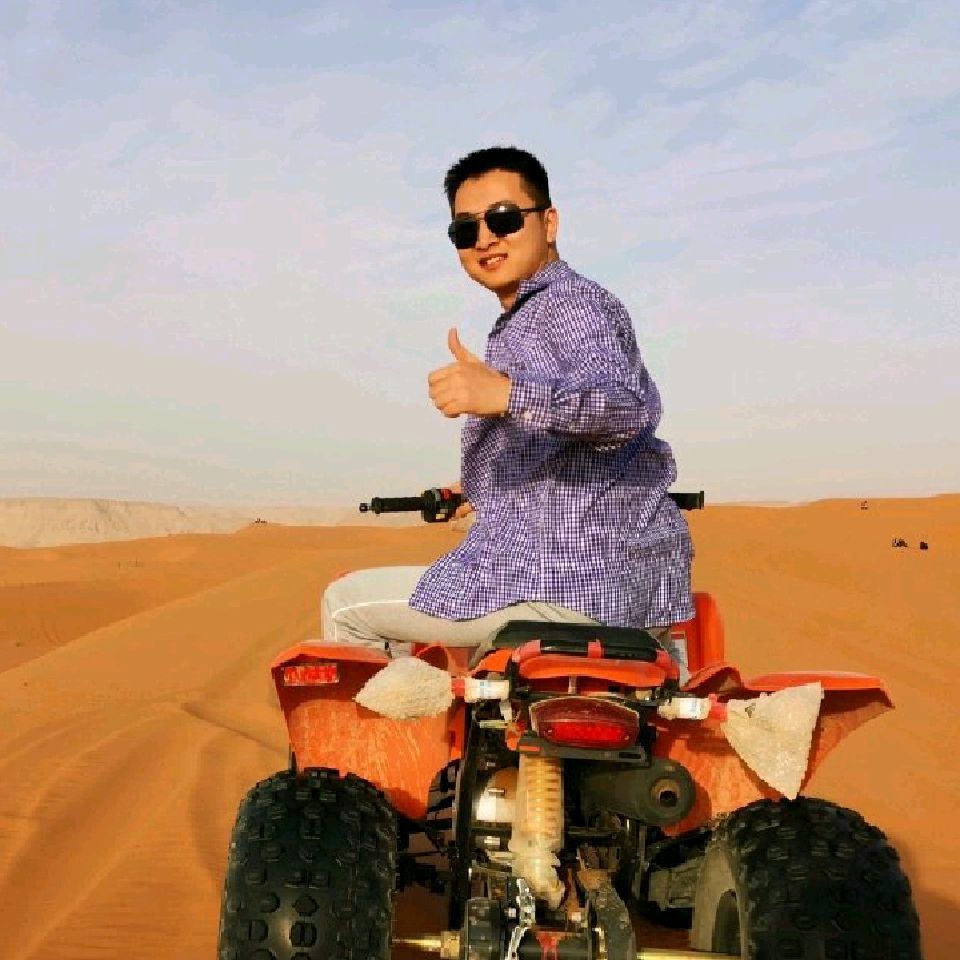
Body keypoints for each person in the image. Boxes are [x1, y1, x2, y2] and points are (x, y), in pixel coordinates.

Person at [321, 146, 694, 676]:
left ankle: (398, 731)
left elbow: (622, 407)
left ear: (549, 222)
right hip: (625, 589)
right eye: (465, 230)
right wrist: (484, 486)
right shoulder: (532, 317)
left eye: (503, 218)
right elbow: (579, 448)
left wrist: (504, 394)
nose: (485, 238)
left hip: (560, 586)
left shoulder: (568, 305)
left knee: (345, 605)